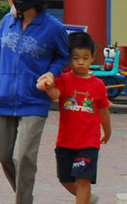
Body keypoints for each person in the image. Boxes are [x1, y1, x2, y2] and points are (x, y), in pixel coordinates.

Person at [0, 0, 70, 204]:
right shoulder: (7, 22)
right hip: (3, 100)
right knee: (6, 156)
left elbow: (63, 57)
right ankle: (25, 196)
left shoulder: (53, 28)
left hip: (34, 102)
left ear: (22, 0)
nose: (8, 0)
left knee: (23, 156)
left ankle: (23, 201)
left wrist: (52, 73)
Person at [37, 32, 111, 204]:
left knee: (83, 179)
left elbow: (104, 111)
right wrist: (48, 87)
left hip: (88, 144)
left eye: (85, 58)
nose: (80, 62)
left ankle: (84, 198)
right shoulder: (63, 79)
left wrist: (107, 132)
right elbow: (55, 95)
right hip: (65, 142)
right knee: (65, 179)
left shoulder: (98, 85)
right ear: (69, 59)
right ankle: (87, 199)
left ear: (93, 58)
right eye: (76, 57)